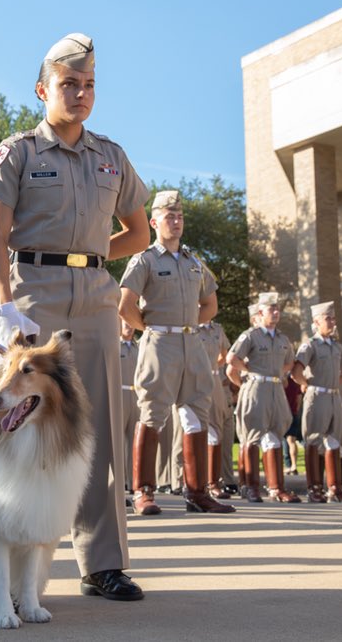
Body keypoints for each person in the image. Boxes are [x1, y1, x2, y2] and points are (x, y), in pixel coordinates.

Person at [0, 33, 148, 601]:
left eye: (89, 84)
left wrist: (95, 257)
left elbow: (140, 233)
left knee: (96, 432)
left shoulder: (111, 156)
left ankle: (103, 564)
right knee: (5, 428)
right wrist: (3, 305)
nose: (80, 94)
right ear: (42, 90)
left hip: (95, 299)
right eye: (69, 84)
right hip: (31, 292)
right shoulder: (17, 152)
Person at [119, 190, 234, 515]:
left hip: (192, 342)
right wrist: (154, 328)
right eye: (170, 216)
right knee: (153, 412)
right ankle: (144, 491)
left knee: (197, 413)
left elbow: (210, 305)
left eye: (180, 216)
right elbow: (125, 306)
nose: (176, 220)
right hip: (159, 343)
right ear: (154, 221)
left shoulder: (195, 262)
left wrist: (185, 325)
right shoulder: (144, 260)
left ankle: (197, 493)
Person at [226, 293, 299, 503]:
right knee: (252, 436)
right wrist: (248, 373)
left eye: (277, 309)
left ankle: (277, 488)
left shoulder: (283, 339)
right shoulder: (251, 335)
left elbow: (290, 363)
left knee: (276, 434)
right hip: (256, 386)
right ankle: (251, 486)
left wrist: (280, 373)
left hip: (275, 387)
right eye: (271, 309)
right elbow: (232, 358)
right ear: (260, 313)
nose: (275, 313)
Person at [291, 301, 342, 503]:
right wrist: (308, 384)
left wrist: (335, 383)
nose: (332, 322)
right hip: (317, 396)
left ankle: (335, 488)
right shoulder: (310, 345)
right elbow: (296, 371)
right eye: (328, 318)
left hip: (333, 395)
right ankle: (314, 488)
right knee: (313, 441)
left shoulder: (336, 346)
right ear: (316, 322)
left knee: (334, 441)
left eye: (333, 318)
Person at [197, 319, 233, 499]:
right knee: (198, 430)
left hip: (215, 380)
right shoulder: (192, 325)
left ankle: (213, 482)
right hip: (198, 379)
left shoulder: (218, 329)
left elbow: (225, 354)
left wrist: (213, 367)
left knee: (216, 431)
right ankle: (197, 483)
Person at [119, 321, 140, 489]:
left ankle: (134, 482)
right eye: (126, 323)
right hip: (120, 394)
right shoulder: (114, 345)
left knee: (135, 440)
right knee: (118, 441)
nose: (129, 326)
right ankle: (120, 482)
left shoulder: (138, 347)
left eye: (131, 324)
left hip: (136, 395)